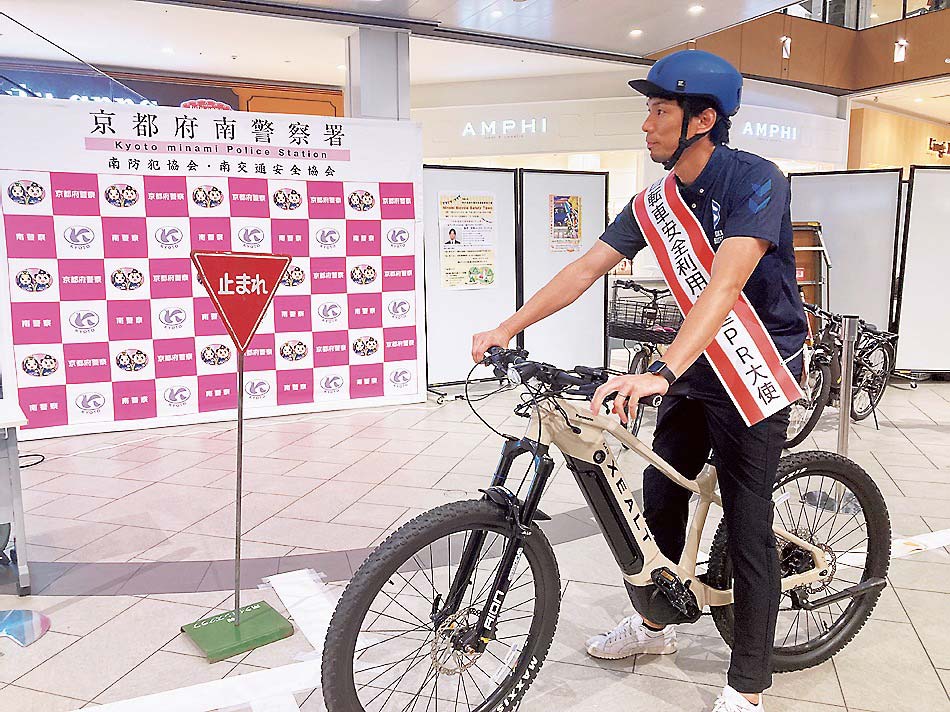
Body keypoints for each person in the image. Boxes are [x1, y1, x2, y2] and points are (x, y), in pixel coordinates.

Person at [471, 49, 806, 712]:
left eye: (660, 110)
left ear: (703, 118)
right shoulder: (655, 200)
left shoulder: (756, 179)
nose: (646, 124)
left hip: (756, 366)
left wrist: (660, 370)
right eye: (648, 111)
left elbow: (727, 281)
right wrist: (509, 325)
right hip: (693, 364)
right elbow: (585, 268)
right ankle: (655, 628)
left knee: (747, 528)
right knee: (658, 498)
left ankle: (748, 687)